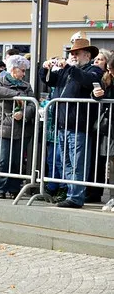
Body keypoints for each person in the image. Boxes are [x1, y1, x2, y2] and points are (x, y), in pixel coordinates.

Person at [39, 38, 104, 208]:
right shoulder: (66, 70)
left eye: (76, 53)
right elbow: (49, 80)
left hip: (79, 124)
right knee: (66, 162)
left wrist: (68, 67)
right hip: (62, 124)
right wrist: (45, 68)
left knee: (77, 164)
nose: (73, 56)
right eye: (71, 53)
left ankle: (76, 197)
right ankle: (70, 194)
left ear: (87, 55)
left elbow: (86, 80)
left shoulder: (94, 69)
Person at [0, 55, 36, 199]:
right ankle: (1, 187)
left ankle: (14, 188)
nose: (24, 73)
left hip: (21, 128)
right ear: (14, 69)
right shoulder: (0, 80)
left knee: (17, 161)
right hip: (3, 125)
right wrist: (16, 95)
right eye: (22, 70)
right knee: (3, 160)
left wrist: (23, 113)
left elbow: (32, 104)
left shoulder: (27, 85)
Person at [94, 54, 114, 211]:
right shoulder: (106, 78)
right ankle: (113, 198)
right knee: (111, 162)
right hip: (110, 126)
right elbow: (96, 96)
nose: (111, 72)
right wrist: (95, 95)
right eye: (109, 69)